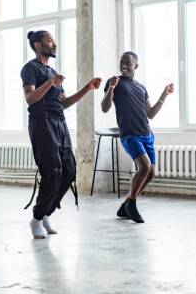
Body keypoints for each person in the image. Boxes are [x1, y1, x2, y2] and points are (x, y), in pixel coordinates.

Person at [21, 30, 101, 239]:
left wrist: (87, 88)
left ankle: (47, 211)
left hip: (59, 122)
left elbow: (64, 102)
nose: (54, 45)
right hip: (41, 122)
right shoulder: (30, 69)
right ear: (38, 45)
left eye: (54, 41)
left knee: (69, 170)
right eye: (49, 41)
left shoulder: (52, 71)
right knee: (52, 171)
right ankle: (37, 218)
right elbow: (30, 98)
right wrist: (50, 84)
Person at [101, 51, 174, 223]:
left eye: (128, 63)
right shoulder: (115, 83)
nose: (124, 65)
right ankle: (132, 204)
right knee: (144, 167)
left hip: (147, 135)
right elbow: (105, 108)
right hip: (130, 135)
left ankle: (125, 205)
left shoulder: (141, 87)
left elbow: (151, 114)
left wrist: (164, 94)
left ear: (136, 66)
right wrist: (111, 87)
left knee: (150, 174)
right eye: (122, 62)